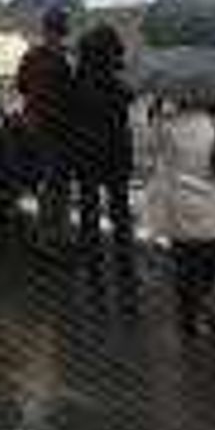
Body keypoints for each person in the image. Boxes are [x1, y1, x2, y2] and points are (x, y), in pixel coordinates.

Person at [147, 91, 215, 338]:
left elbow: (152, 149)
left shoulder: (167, 127)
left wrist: (158, 107)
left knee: (186, 269)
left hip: (182, 212)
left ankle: (188, 320)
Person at [66, 26, 139, 272]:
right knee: (120, 204)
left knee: (89, 204)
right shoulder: (116, 81)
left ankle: (92, 255)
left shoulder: (77, 80)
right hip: (116, 150)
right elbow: (127, 99)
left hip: (86, 149)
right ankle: (123, 255)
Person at [14, 10, 79, 248]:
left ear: (45, 30)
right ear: (63, 31)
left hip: (35, 125)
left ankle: (50, 232)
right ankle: (54, 233)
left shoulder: (31, 55)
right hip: (58, 128)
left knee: (48, 180)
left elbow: (21, 86)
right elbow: (73, 95)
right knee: (57, 182)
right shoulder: (65, 60)